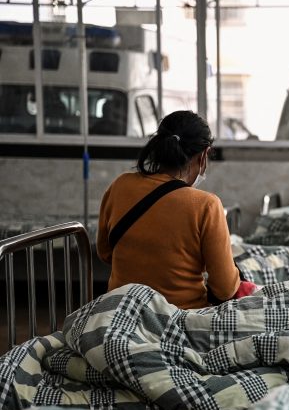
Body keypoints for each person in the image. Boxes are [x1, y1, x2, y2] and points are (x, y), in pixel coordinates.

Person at [96, 110, 257, 309]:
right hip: (178, 319)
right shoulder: (206, 205)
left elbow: (104, 253)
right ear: (203, 156)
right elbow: (225, 288)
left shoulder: (120, 185)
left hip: (119, 310)